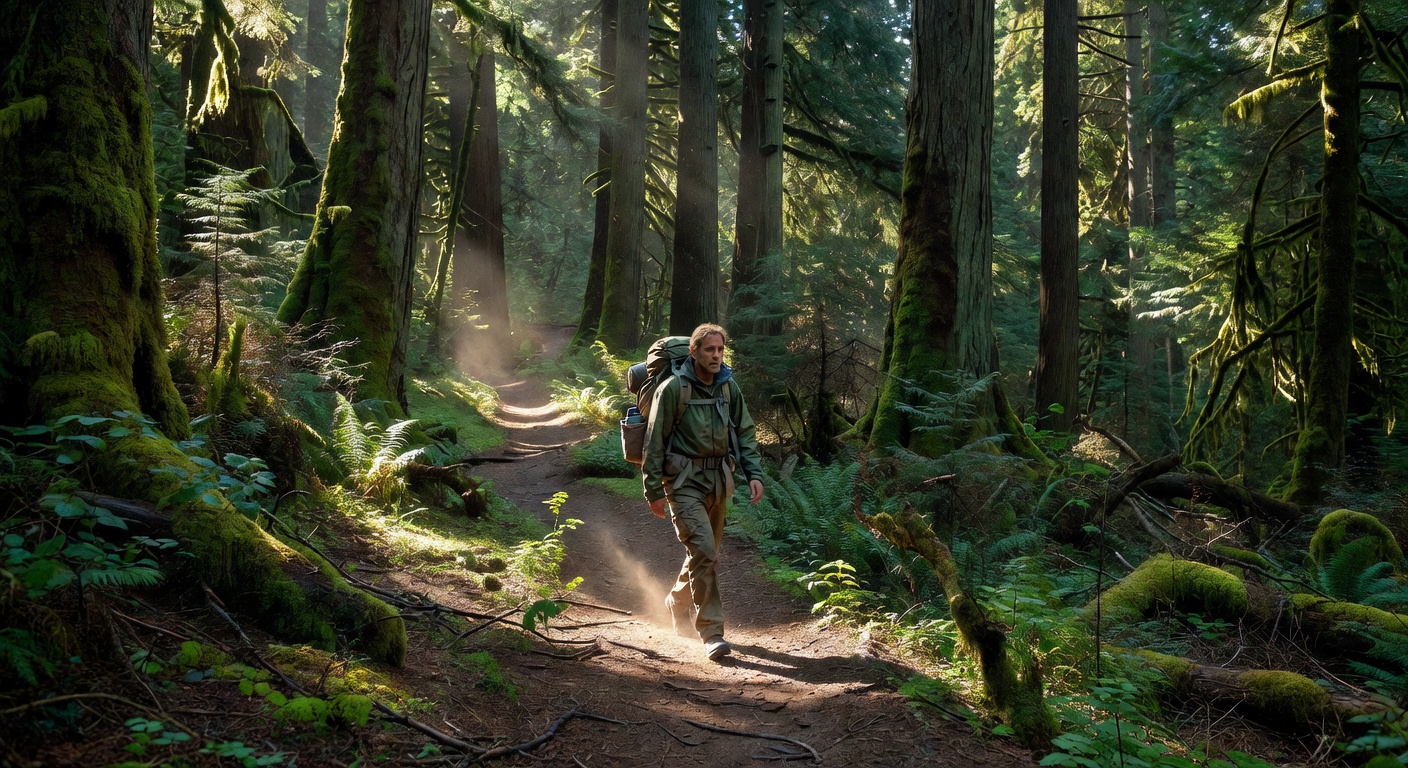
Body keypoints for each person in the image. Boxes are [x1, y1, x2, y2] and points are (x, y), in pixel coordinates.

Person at [642, 323, 765, 661]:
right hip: (682, 484)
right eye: (709, 350)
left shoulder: (728, 388)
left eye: (720, 350)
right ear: (693, 352)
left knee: (704, 554)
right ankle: (712, 631)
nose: (716, 356)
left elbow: (746, 432)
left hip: (720, 481)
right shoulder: (672, 389)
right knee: (705, 553)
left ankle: (675, 601)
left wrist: (755, 473)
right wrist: (652, 488)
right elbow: (654, 442)